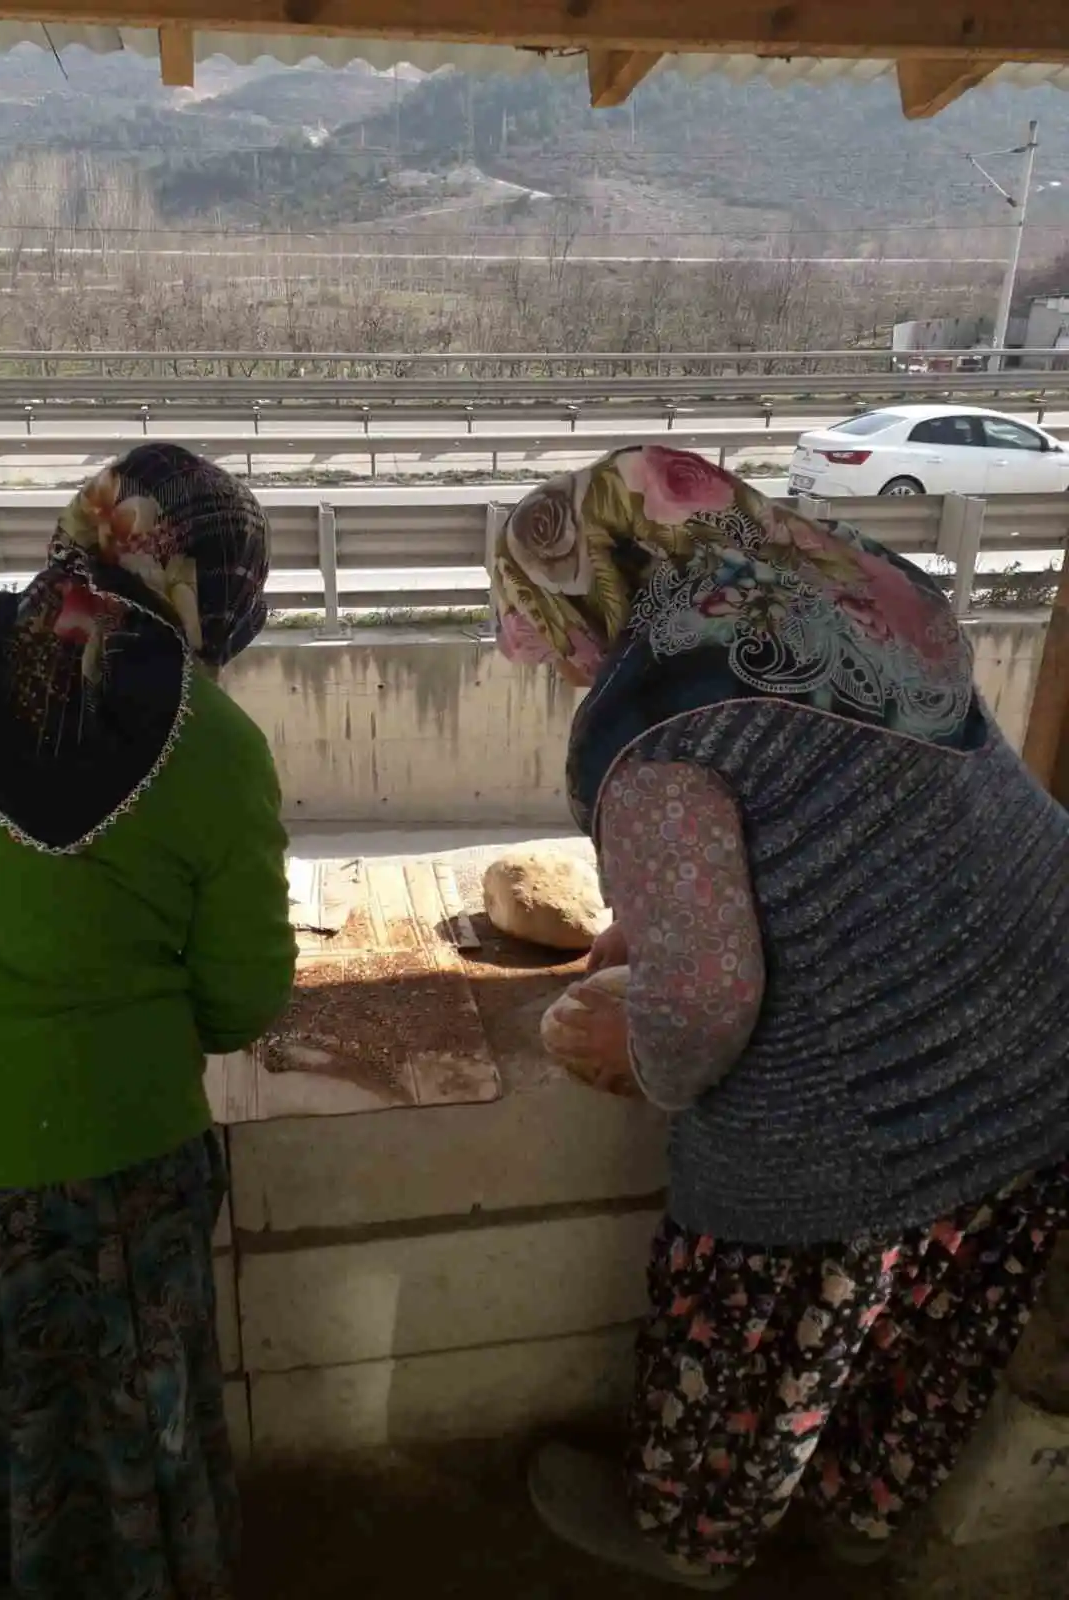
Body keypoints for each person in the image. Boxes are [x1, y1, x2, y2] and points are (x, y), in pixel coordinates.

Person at [491, 444, 1069, 1591]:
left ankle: (693, 1534)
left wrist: (640, 1046)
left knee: (763, 1327)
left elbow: (705, 1000)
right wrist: (656, 921)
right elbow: (851, 816)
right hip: (1047, 1016)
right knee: (938, 1324)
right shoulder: (856, 580)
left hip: (877, 1091)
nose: (563, 669)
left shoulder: (648, 719)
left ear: (580, 596)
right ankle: (861, 1514)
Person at [0, 444, 296, 1599]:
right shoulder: (216, 744)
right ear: (220, 590)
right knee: (109, 1475)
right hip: (104, 1187)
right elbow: (242, 1001)